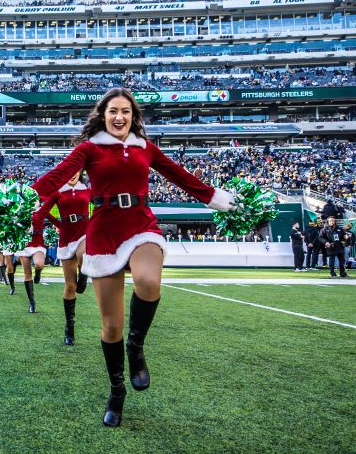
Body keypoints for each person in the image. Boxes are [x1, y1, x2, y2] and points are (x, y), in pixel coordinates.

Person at [31, 88, 236, 427]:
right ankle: (116, 390)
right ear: (103, 114)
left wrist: (213, 196)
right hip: (104, 230)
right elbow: (57, 175)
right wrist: (28, 197)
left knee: (148, 280)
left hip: (141, 224)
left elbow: (178, 175)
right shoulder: (89, 148)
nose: (119, 117)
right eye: (113, 111)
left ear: (134, 116)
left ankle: (136, 347)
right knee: (111, 326)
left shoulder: (145, 148)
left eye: (126, 111)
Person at [36, 172, 92, 345]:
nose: (72, 175)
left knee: (84, 255)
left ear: (80, 173)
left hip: (85, 232)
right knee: (70, 287)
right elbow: (42, 213)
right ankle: (69, 328)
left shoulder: (88, 190)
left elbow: (103, 208)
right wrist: (59, 224)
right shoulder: (57, 192)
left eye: (75, 171)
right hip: (67, 238)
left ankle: (84, 274)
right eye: (69, 172)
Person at [15, 202, 58, 314]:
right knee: (27, 274)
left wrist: (64, 227)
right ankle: (32, 302)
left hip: (38, 244)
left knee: (39, 264)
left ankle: (38, 272)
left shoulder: (42, 210)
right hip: (24, 245)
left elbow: (54, 220)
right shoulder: (19, 210)